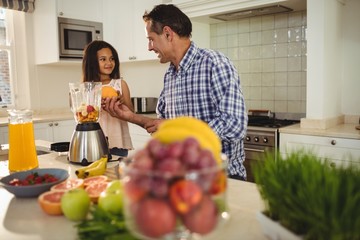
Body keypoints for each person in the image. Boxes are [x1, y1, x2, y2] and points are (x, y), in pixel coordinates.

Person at [102, 4, 248, 180]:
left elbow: (234, 125)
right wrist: (129, 116)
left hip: (221, 179)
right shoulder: (171, 74)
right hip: (182, 180)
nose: (149, 47)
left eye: (151, 39)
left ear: (168, 34)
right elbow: (162, 128)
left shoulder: (215, 63)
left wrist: (181, 131)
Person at [82, 40, 133, 158]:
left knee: (117, 174)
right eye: (103, 59)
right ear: (92, 62)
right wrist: (93, 106)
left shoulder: (120, 84)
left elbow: (131, 114)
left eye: (112, 59)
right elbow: (82, 116)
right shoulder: (86, 88)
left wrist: (123, 102)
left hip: (118, 143)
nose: (109, 63)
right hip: (94, 142)